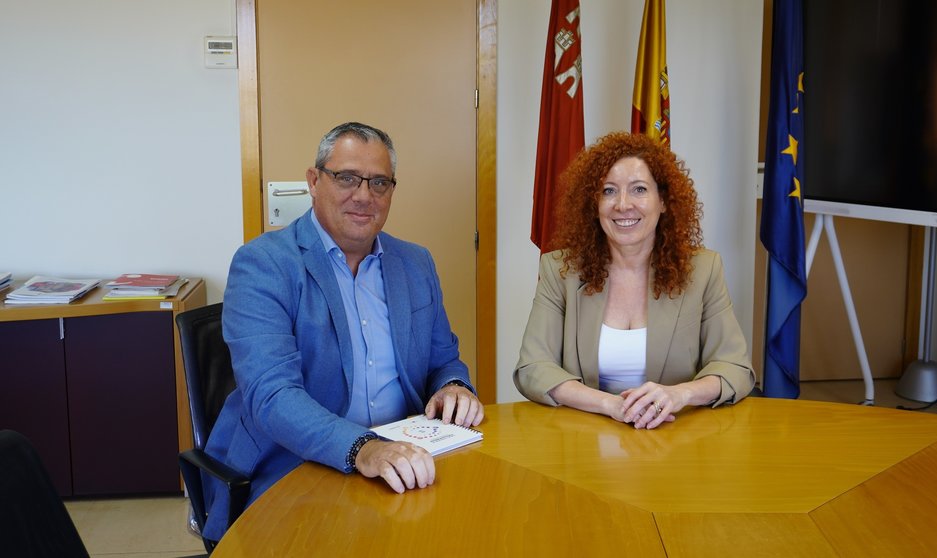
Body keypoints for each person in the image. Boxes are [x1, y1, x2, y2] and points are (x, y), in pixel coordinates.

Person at [201, 122, 483, 542]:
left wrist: (454, 386)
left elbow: (443, 359)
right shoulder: (263, 264)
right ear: (314, 181)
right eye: (347, 178)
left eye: (380, 183)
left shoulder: (415, 262)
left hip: (402, 460)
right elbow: (272, 396)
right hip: (292, 467)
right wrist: (363, 448)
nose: (364, 196)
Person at [514, 132, 754, 429]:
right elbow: (533, 368)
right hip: (585, 436)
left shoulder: (703, 270)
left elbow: (736, 368)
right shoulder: (561, 270)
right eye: (609, 191)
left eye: (639, 189)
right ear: (595, 203)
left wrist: (680, 395)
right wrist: (611, 405)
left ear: (663, 201)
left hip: (675, 436)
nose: (623, 205)